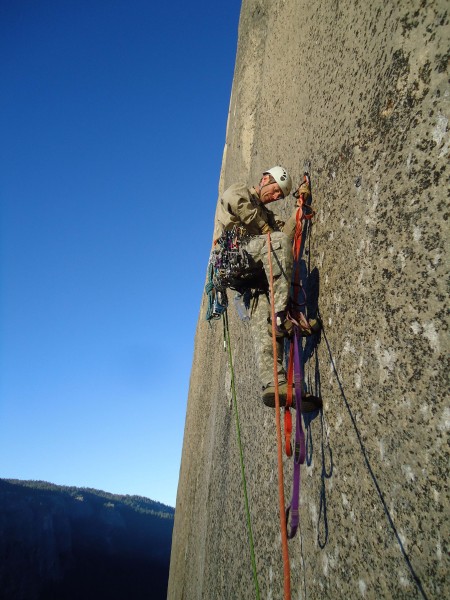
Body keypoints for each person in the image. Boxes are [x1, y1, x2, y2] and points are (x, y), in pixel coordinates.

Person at [213, 166, 321, 411]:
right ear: (265, 179)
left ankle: (277, 385)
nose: (275, 197)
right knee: (277, 242)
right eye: (275, 191)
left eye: (279, 197)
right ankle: (283, 317)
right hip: (234, 256)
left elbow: (286, 234)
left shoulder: (267, 216)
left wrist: (298, 206)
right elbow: (235, 202)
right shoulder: (240, 190)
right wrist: (265, 230)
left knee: (264, 315)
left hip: (254, 273)